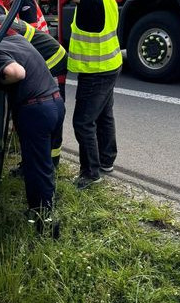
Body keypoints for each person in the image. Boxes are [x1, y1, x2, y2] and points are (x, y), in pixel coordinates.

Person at [0, 34, 65, 236]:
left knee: (36, 167)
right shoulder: (16, 40)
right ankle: (47, 204)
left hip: (36, 111)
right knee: (45, 163)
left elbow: (16, 73)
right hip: (55, 101)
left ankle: (44, 222)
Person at [0, 14, 67, 166]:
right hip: (41, 56)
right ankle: (45, 160)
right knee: (48, 109)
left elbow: (12, 70)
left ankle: (51, 160)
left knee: (39, 103)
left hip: (51, 59)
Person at [68, 0, 122, 189]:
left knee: (83, 123)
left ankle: (90, 174)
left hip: (95, 70)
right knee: (104, 115)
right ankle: (107, 160)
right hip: (110, 63)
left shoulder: (91, 4)